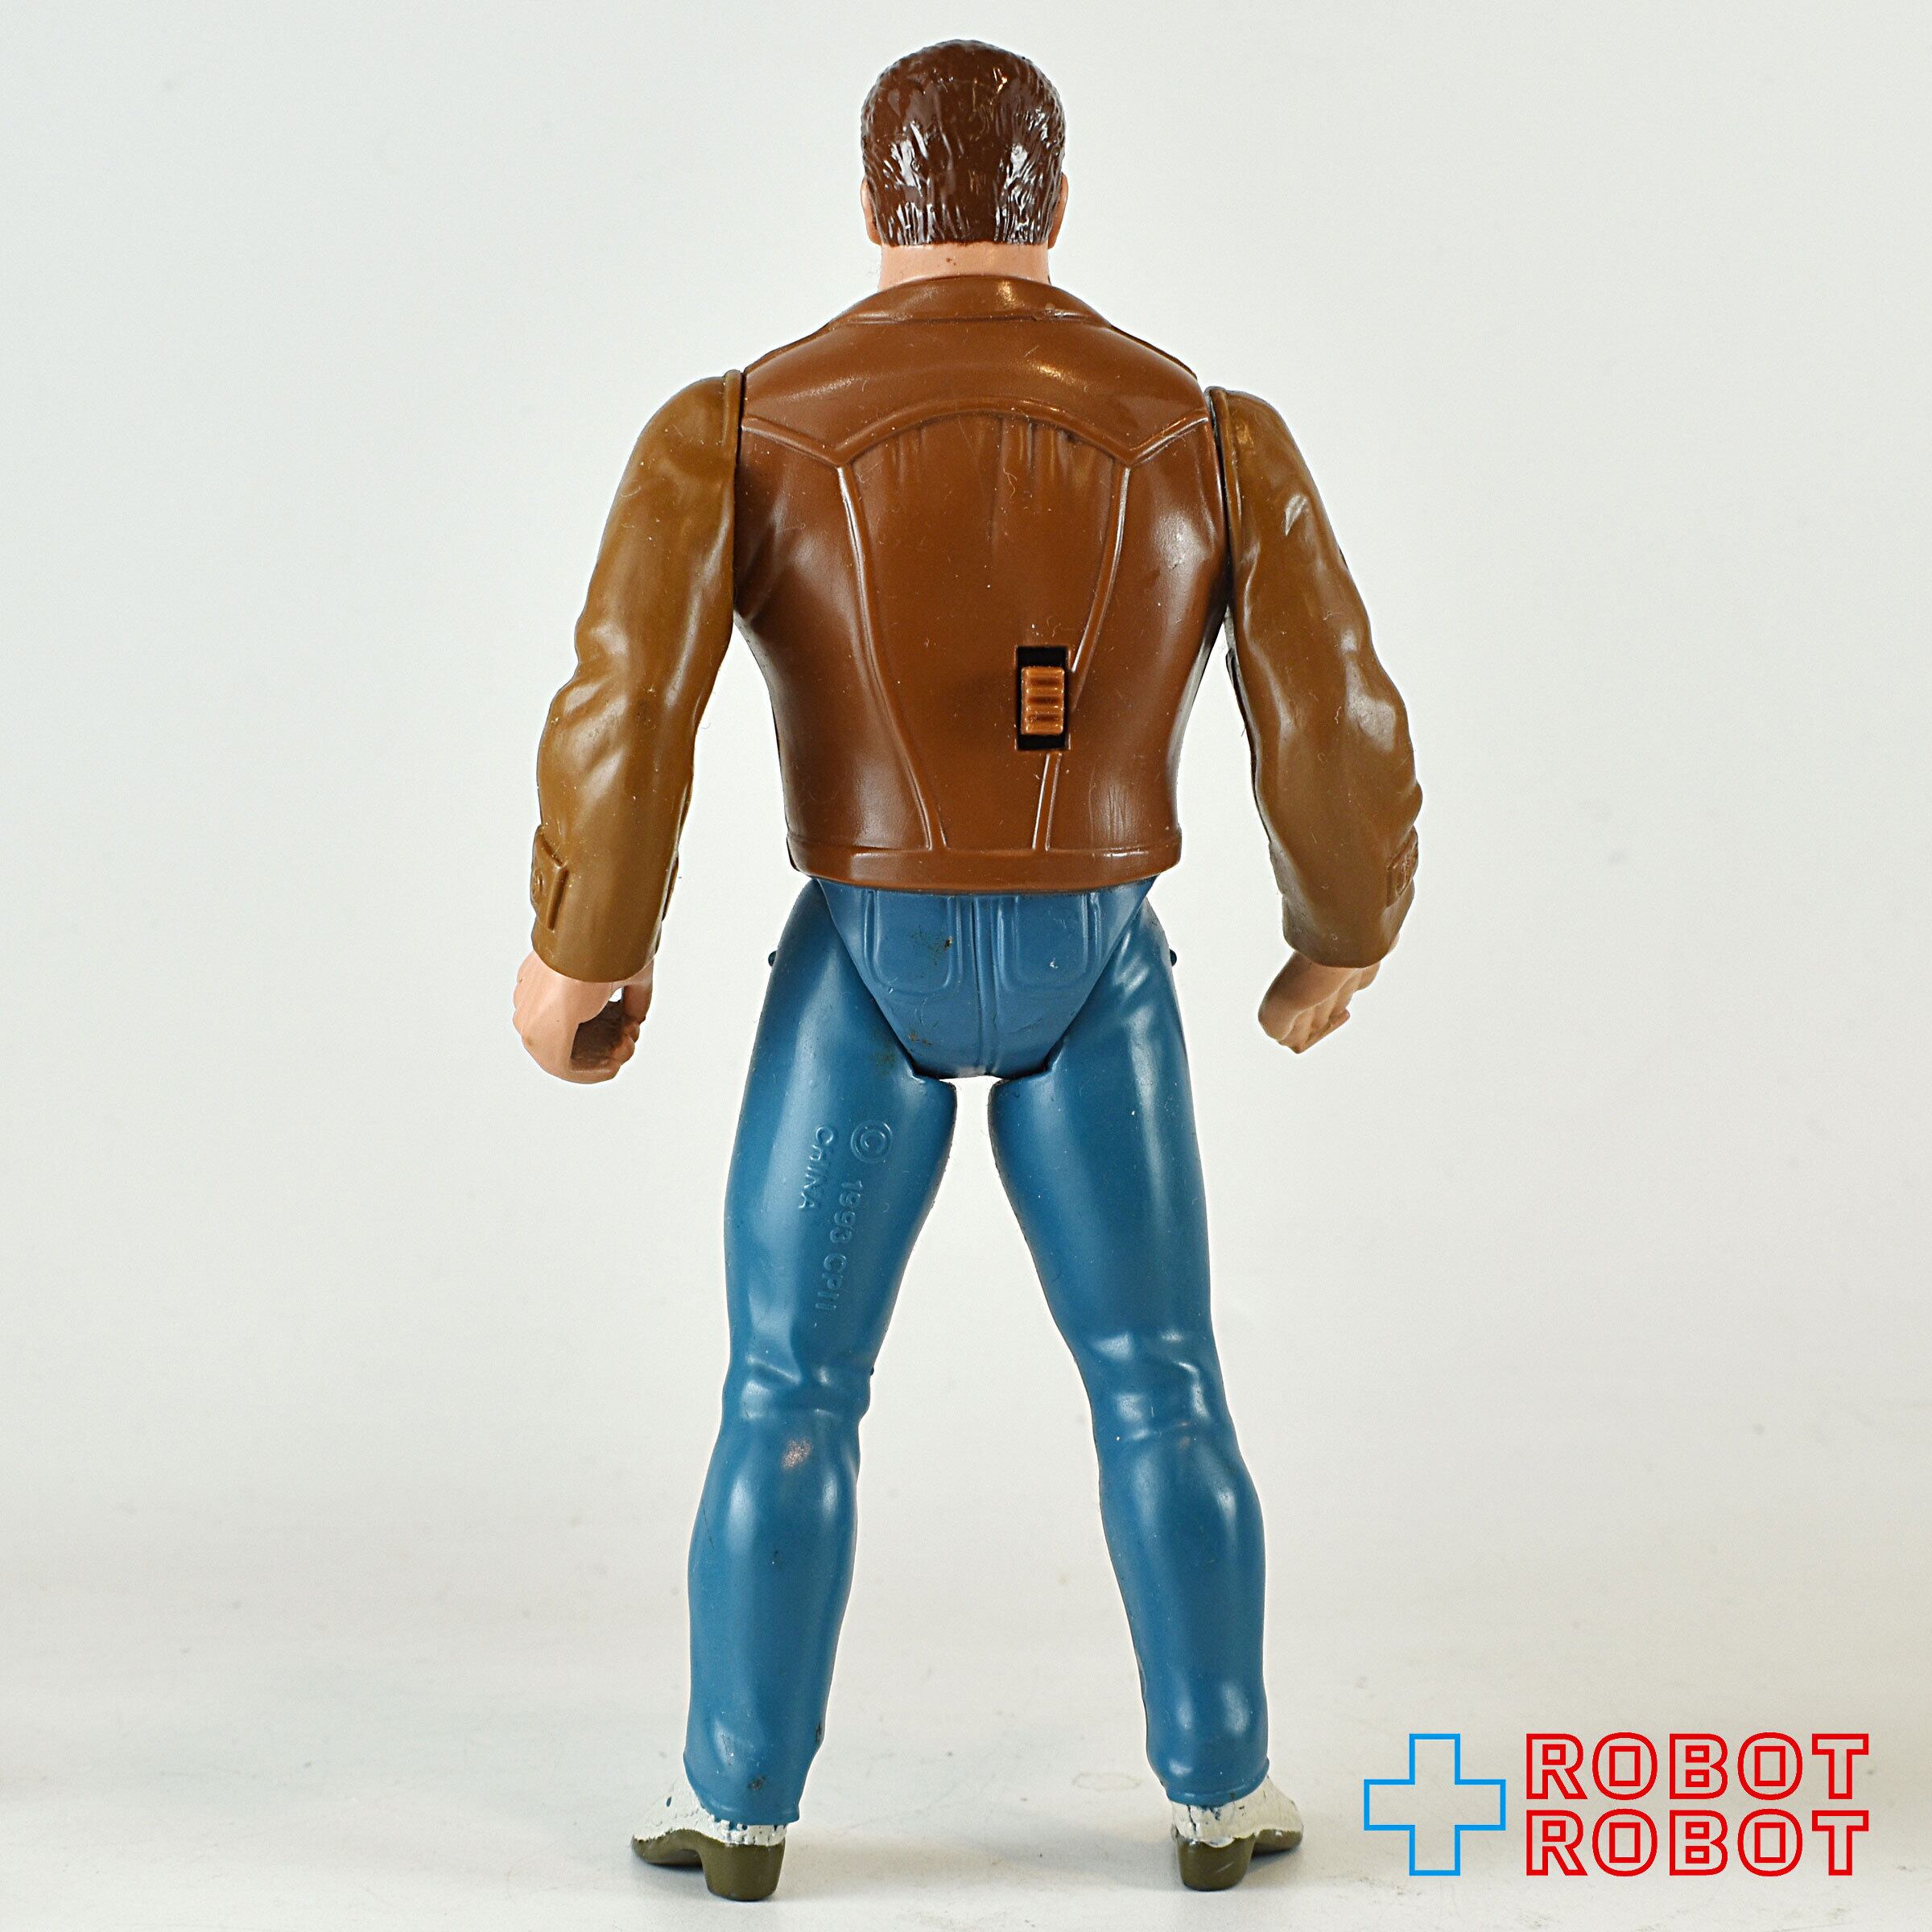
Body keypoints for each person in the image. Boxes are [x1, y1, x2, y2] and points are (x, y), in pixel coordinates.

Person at [512, 39, 1420, 1901]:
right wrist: (1340, 936)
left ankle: (738, 1805)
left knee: (788, 1390)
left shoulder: (736, 426)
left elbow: (628, 710)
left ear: (873, 201)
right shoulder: (1210, 432)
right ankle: (1223, 1792)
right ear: (1054, 203)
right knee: (1162, 1381)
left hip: (865, 953)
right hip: (1106, 960)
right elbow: (1331, 710)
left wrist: (579, 948)